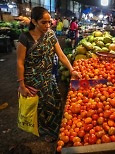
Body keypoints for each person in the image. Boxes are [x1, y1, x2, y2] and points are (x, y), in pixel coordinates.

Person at [16, 7, 80, 142]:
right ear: (34, 21)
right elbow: (20, 62)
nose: (47, 26)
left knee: (55, 103)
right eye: (43, 22)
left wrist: (71, 69)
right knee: (40, 107)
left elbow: (61, 55)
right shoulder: (25, 38)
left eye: (49, 22)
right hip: (32, 81)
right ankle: (44, 132)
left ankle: (55, 130)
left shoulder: (50, 34)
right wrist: (21, 85)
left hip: (48, 77)